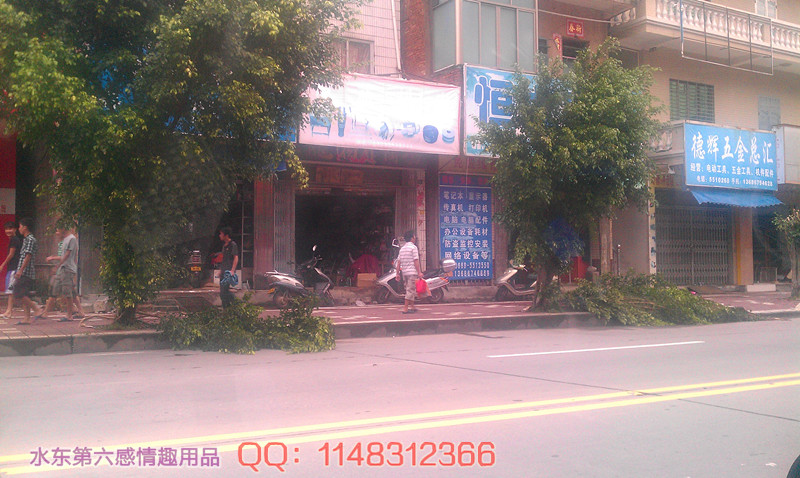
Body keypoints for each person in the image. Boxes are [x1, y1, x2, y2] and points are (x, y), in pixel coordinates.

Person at [39, 227, 79, 321]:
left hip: (67, 268)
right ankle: (45, 313)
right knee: (56, 289)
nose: (57, 232)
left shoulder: (72, 239)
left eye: (58, 230)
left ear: (63, 229)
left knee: (67, 292)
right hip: (62, 269)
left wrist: (58, 264)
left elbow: (67, 254)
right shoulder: (65, 240)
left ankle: (69, 315)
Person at [13, 218, 43, 324]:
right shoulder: (26, 239)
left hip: (26, 271)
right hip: (23, 270)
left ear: (25, 227)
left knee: (18, 292)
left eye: (20, 226)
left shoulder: (30, 239)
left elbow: (28, 255)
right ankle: (26, 318)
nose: (19, 229)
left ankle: (36, 308)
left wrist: (21, 270)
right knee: (24, 294)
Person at [396, 230, 422, 314]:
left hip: (405, 273)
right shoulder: (413, 248)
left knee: (410, 289)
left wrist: (397, 274)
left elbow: (398, 262)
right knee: (410, 290)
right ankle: (405, 308)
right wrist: (419, 272)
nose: (415, 238)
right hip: (412, 273)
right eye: (414, 236)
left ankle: (412, 307)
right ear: (412, 238)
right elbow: (416, 261)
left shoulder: (402, 249)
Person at [1, 221, 21, 318]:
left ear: (15, 229)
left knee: (10, 291)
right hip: (13, 267)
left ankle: (9, 311)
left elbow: (11, 254)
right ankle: (9, 311)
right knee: (11, 291)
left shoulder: (14, 240)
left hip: (13, 268)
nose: (8, 231)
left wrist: (2, 265)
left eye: (10, 228)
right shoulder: (14, 239)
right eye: (6, 229)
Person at [218, 226, 239, 309]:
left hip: (228, 271)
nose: (220, 235)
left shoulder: (232, 245)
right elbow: (223, 259)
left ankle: (235, 302)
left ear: (226, 235)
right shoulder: (224, 246)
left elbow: (236, 257)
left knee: (224, 290)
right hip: (223, 270)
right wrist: (220, 270)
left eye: (221, 234)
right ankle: (226, 308)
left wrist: (232, 270)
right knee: (222, 291)